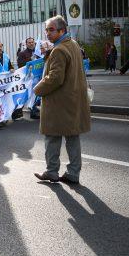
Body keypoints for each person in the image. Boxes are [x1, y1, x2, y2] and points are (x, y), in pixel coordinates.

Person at [33, 15, 91, 185]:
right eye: (47, 30)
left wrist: (37, 89)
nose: (47, 33)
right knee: (72, 137)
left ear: (62, 30)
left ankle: (51, 172)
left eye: (51, 30)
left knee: (52, 137)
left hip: (59, 102)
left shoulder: (59, 50)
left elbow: (55, 78)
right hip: (73, 99)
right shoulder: (73, 44)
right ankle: (73, 173)